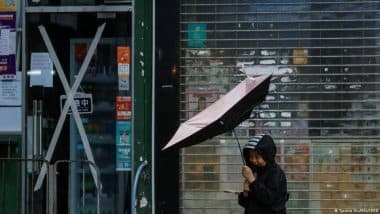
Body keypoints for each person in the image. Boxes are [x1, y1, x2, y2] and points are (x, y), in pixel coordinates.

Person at [238, 134, 289, 214]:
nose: (253, 160)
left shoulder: (276, 173)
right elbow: (245, 203)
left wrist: (252, 180)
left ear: (267, 155)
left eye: (257, 157)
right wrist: (245, 192)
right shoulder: (255, 171)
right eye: (251, 157)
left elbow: (268, 199)